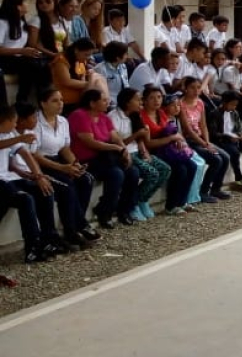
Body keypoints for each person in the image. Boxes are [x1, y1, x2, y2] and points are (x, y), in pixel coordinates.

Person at [26, 89, 98, 246]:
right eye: (55, 100)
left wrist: (75, 164)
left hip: (58, 159)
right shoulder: (36, 122)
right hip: (42, 163)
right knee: (67, 186)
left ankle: (78, 223)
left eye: (61, 100)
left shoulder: (63, 121)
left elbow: (65, 148)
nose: (60, 104)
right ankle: (72, 229)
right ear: (43, 103)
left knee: (86, 178)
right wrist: (62, 168)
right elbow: (34, 154)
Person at [68, 88, 143, 227]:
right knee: (116, 174)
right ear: (92, 103)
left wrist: (124, 150)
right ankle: (104, 211)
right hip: (86, 159)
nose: (107, 103)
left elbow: (115, 137)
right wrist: (116, 148)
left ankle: (124, 211)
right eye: (103, 100)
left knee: (133, 172)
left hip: (105, 158)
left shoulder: (104, 117)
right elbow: (90, 142)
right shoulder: (79, 115)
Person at [0, 103, 62, 263]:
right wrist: (20, 138)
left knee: (45, 190)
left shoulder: (8, 134)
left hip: (9, 179)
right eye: (13, 122)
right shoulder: (11, 136)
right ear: (4, 121)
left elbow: (26, 154)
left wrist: (39, 176)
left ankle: (49, 240)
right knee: (25, 199)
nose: (15, 125)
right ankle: (32, 249)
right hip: (2, 182)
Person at [137, 88, 199, 215]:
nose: (156, 101)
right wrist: (171, 138)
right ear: (145, 100)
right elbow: (148, 143)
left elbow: (171, 131)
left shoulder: (160, 113)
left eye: (159, 97)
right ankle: (171, 206)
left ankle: (182, 201)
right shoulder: (141, 116)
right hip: (153, 151)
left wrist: (177, 139)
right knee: (180, 169)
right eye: (152, 98)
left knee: (192, 166)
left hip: (167, 149)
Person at [111, 87, 171, 219]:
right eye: (138, 100)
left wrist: (144, 150)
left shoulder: (135, 115)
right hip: (124, 153)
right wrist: (137, 134)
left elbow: (142, 140)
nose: (141, 102)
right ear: (127, 102)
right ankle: (133, 204)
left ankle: (142, 200)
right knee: (152, 174)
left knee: (165, 169)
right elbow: (118, 143)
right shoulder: (114, 117)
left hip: (137, 151)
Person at [177, 77, 232, 201]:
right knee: (216, 160)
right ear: (185, 89)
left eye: (198, 87)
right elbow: (188, 130)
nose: (196, 91)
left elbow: (203, 125)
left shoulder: (200, 103)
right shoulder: (181, 104)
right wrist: (205, 144)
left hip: (201, 138)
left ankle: (216, 189)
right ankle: (203, 191)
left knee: (225, 157)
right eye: (192, 88)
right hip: (188, 141)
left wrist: (207, 142)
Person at [0, 0, 47, 105]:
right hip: (5, 59)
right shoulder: (2, 23)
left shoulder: (22, 23)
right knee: (29, 65)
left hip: (19, 57)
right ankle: (22, 100)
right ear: (18, 6)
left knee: (42, 64)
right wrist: (21, 51)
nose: (28, 4)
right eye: (25, 2)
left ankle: (44, 98)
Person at [209, 91, 242, 190]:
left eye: (235, 105)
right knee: (234, 153)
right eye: (232, 104)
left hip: (236, 139)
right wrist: (228, 137)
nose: (234, 107)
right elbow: (213, 133)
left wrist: (241, 135)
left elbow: (239, 127)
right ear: (224, 102)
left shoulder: (234, 113)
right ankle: (238, 177)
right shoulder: (214, 114)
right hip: (222, 140)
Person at [51, 38, 108, 108]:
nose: (88, 57)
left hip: (80, 97)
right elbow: (67, 82)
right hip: (67, 101)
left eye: (90, 55)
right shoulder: (61, 61)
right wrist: (90, 83)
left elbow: (82, 76)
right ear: (76, 50)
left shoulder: (81, 60)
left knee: (97, 77)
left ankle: (106, 103)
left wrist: (89, 76)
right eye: (86, 55)